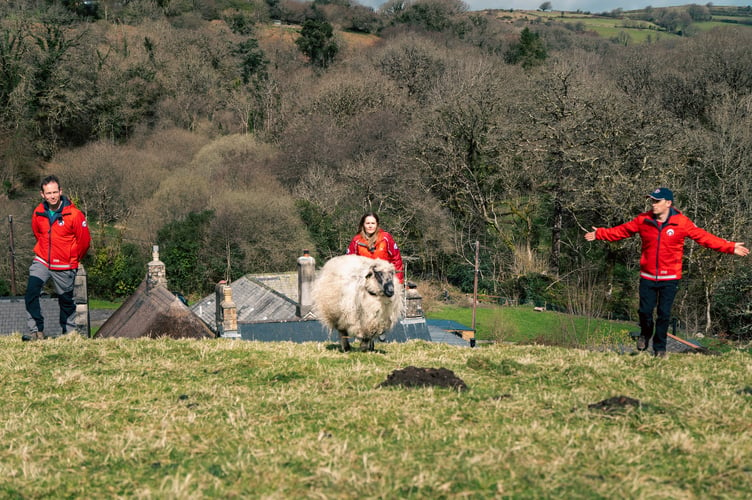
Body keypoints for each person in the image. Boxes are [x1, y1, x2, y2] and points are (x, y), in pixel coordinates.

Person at [584, 187, 749, 357]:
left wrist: (730, 247)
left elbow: (704, 237)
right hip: (647, 275)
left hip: (670, 277)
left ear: (668, 203)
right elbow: (622, 231)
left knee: (664, 314)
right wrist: (600, 234)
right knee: (645, 312)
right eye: (652, 201)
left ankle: (660, 349)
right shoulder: (643, 220)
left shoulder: (682, 222)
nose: (653, 204)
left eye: (657, 201)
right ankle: (645, 334)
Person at [24, 175, 91, 341]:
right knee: (31, 292)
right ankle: (36, 331)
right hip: (42, 261)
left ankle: (68, 335)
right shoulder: (38, 212)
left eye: (55, 192)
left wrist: (73, 258)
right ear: (42, 195)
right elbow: (37, 233)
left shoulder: (75, 215)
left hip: (65, 265)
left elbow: (84, 241)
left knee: (66, 301)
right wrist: (44, 251)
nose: (52, 196)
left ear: (60, 192)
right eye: (48, 193)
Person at [346, 212, 404, 284]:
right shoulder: (356, 240)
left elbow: (396, 260)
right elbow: (349, 262)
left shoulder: (386, 238)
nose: (370, 226)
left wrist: (399, 281)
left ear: (377, 224)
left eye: (373, 223)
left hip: (384, 279)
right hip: (363, 280)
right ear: (363, 224)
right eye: (368, 223)